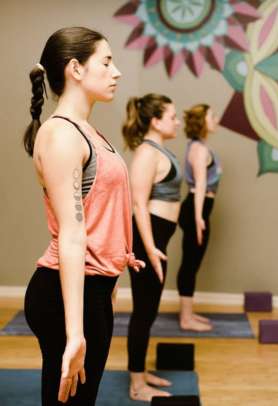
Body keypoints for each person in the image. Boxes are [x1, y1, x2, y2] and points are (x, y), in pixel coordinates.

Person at [23, 27, 143, 405]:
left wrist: (115, 269)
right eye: (106, 62)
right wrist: (75, 334)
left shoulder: (86, 131)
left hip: (93, 289)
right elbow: (72, 234)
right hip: (66, 294)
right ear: (75, 68)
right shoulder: (61, 135)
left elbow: (99, 213)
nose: (116, 72)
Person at [122, 93, 182, 401]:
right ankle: (136, 384)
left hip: (157, 241)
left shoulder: (159, 151)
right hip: (150, 242)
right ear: (156, 121)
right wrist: (150, 249)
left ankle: (141, 373)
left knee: (149, 311)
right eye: (172, 117)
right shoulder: (146, 153)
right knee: (144, 313)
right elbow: (138, 204)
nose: (178, 122)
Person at [177, 104, 221, 332]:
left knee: (192, 263)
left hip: (198, 209)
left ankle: (188, 312)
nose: (216, 119)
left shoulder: (198, 146)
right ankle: (186, 319)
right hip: (197, 209)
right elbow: (201, 184)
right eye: (212, 116)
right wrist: (198, 218)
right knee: (190, 264)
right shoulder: (199, 150)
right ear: (202, 121)